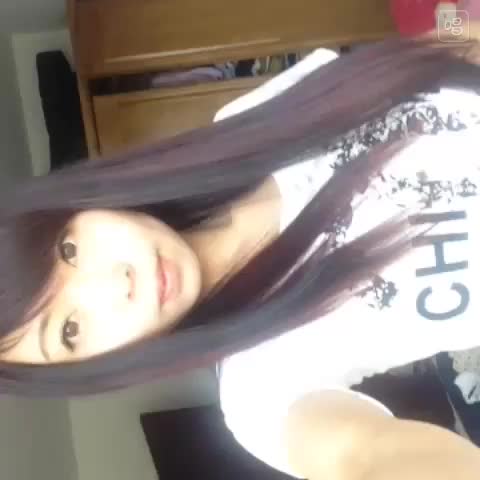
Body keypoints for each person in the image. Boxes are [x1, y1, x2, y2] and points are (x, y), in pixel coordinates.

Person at [1, 38, 480, 478]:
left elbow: (449, 43)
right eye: (71, 330)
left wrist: (457, 15)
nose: (118, 282)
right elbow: (365, 456)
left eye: (68, 250)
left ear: (74, 206)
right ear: (93, 368)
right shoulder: (258, 394)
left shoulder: (251, 122)